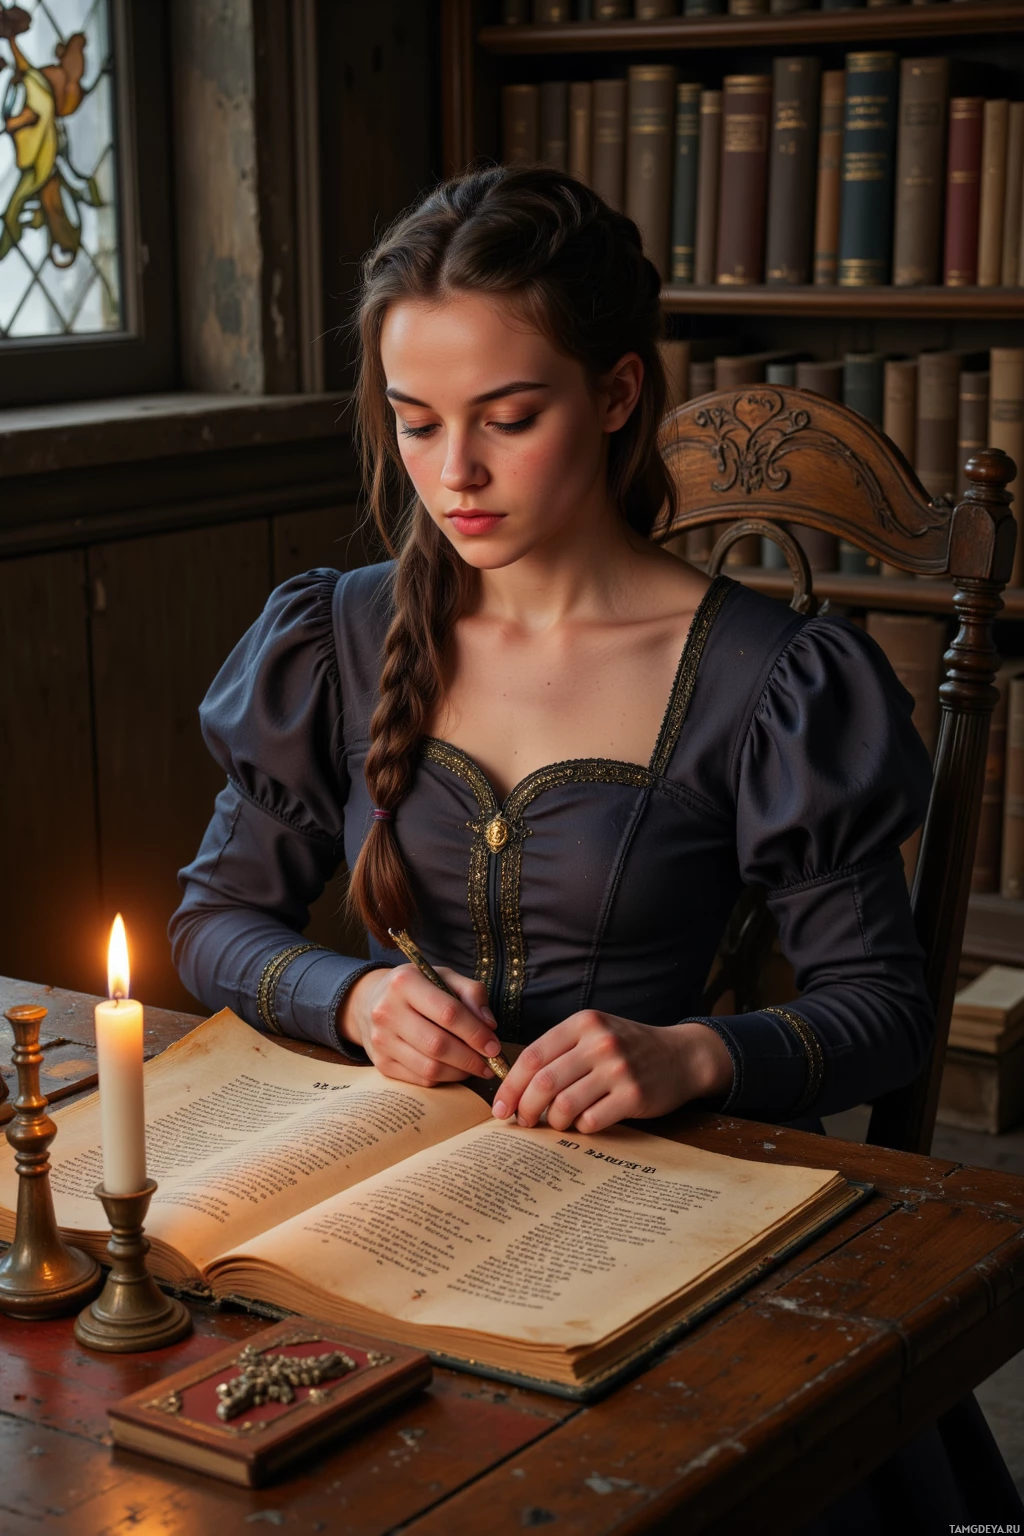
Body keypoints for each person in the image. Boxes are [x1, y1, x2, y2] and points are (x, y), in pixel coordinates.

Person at [170, 164, 934, 1140]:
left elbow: (883, 1012)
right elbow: (211, 925)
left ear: (616, 394)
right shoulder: (333, 642)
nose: (455, 475)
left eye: (509, 418)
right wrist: (355, 1001)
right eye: (416, 423)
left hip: (654, 1187)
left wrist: (693, 1053)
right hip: (387, 1169)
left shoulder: (772, 682)